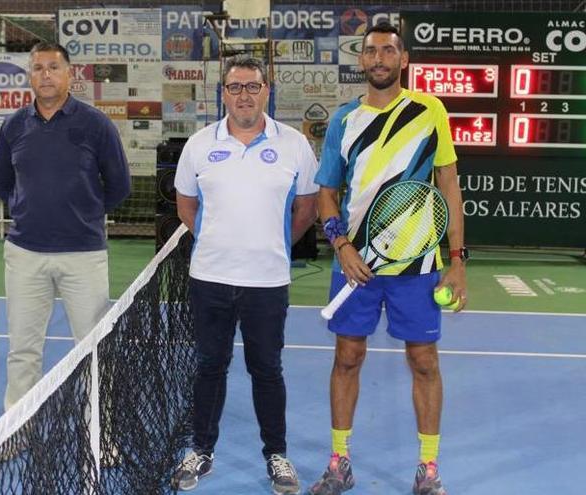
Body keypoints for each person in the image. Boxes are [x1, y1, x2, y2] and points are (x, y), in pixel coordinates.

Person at [308, 23, 467, 495]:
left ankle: (429, 468)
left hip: (416, 265)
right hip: (354, 264)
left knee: (423, 361)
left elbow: (449, 184)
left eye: (388, 51)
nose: (378, 58)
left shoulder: (429, 111)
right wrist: (341, 245)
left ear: (403, 59)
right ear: (361, 61)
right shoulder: (342, 120)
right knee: (348, 357)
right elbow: (327, 193)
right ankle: (339, 462)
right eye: (370, 51)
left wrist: (456, 260)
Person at [170, 56, 319, 494]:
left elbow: (306, 210)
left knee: (267, 370)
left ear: (266, 90)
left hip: (268, 283)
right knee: (209, 367)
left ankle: (277, 455)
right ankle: (201, 450)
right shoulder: (199, 145)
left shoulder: (293, 145)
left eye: (252, 86)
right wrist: (219, 242)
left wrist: (269, 245)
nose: (244, 95)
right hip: (210, 279)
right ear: (224, 94)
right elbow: (186, 207)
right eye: (235, 87)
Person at [0, 42, 131, 412]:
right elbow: (4, 184)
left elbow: (119, 185)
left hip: (83, 255)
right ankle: (17, 431)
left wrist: (82, 214)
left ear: (71, 73)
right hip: (25, 255)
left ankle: (100, 433)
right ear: (30, 76)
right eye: (37, 68)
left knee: (92, 349)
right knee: (23, 350)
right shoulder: (13, 126)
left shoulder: (95, 124)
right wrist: (28, 211)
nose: (46, 75)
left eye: (53, 67)